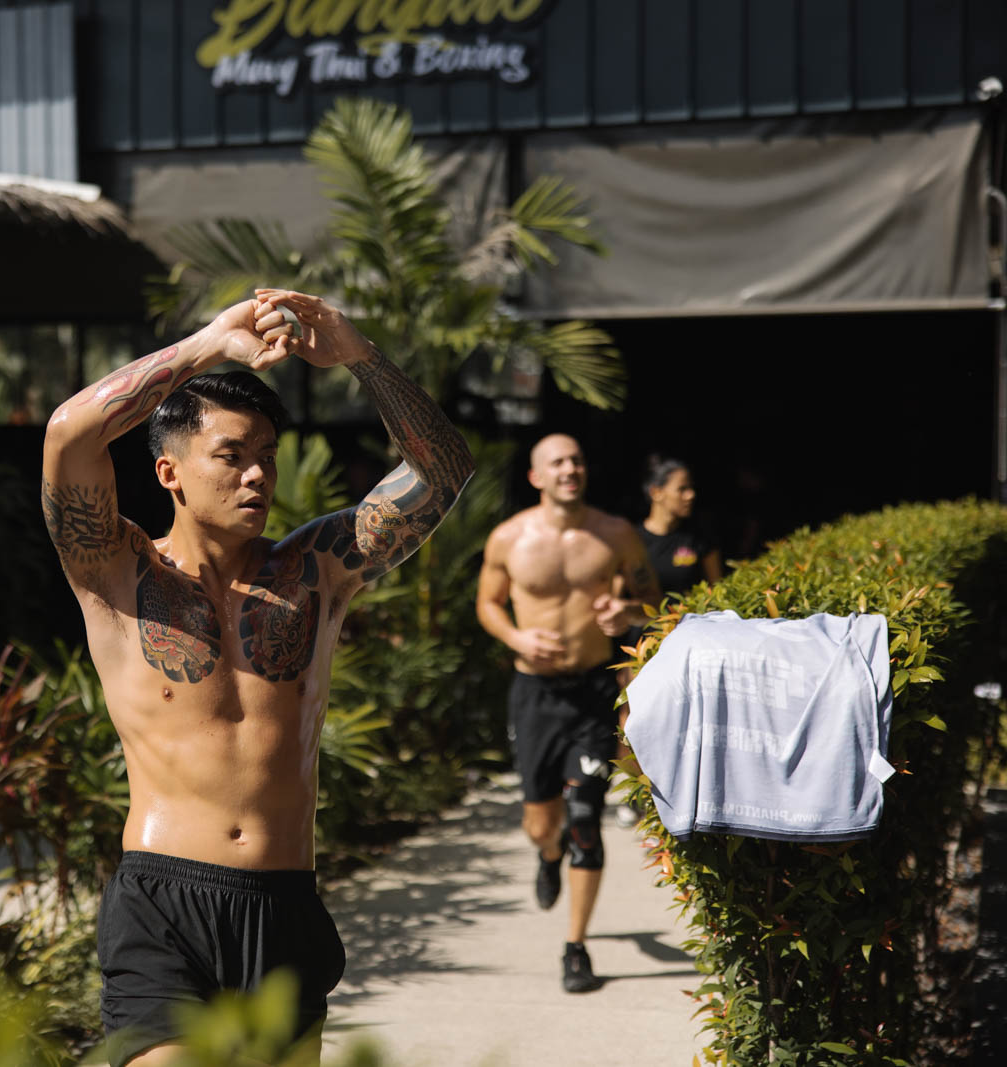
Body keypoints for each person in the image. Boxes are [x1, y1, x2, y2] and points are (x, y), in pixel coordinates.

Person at [41, 289, 475, 1065]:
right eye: (232, 454)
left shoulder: (316, 569)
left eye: (267, 456)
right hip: (163, 905)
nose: (257, 476)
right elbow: (69, 431)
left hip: (283, 904)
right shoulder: (115, 571)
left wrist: (361, 356)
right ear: (170, 471)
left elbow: (443, 470)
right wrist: (208, 344)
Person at [474, 433, 658, 993]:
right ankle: (548, 854)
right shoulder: (510, 537)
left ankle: (575, 948)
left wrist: (626, 612)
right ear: (537, 476)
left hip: (594, 693)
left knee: (585, 818)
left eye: (576, 460)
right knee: (542, 824)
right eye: (557, 462)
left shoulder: (615, 534)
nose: (570, 469)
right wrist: (517, 638)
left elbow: (653, 603)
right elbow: (488, 603)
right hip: (536, 695)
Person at [638, 454, 722, 597]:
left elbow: (717, 591)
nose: (691, 495)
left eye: (691, 488)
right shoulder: (633, 540)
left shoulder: (700, 536)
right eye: (682, 489)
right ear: (656, 492)